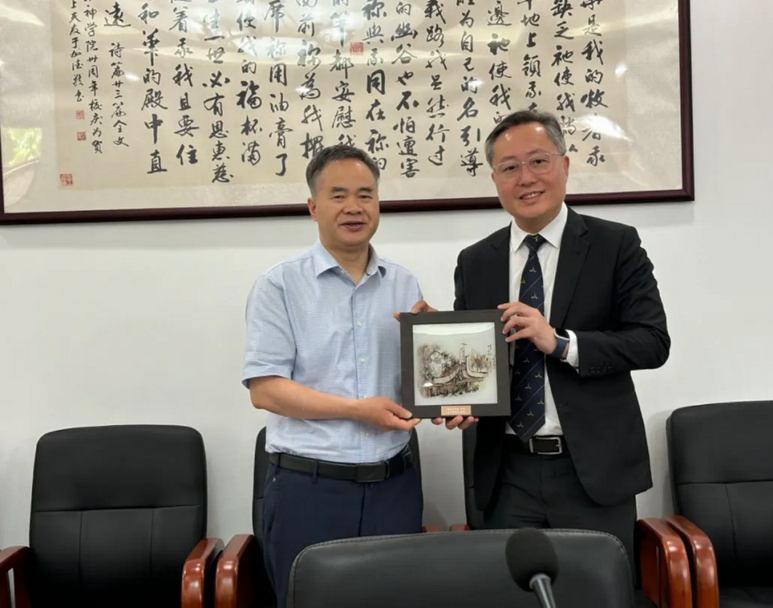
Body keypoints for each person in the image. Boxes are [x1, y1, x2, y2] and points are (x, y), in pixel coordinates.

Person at [426, 109, 670, 570]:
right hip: (506, 472)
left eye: (538, 161)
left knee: (598, 593)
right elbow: (475, 363)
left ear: (565, 165)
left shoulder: (615, 245)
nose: (526, 178)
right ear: (495, 179)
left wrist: (560, 342)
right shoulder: (475, 261)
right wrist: (443, 366)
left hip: (592, 472)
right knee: (511, 594)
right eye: (509, 167)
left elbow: (652, 341)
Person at [242, 145, 424, 607]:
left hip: (394, 487)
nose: (354, 207)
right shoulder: (279, 285)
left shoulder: (403, 284)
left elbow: (416, 384)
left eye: (365, 195)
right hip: (310, 490)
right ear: (313, 207)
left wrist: (440, 369)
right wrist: (357, 410)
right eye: (338, 195)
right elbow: (265, 390)